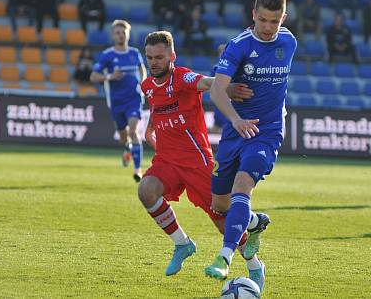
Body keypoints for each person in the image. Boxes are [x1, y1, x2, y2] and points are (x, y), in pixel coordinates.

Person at [137, 30, 265, 285]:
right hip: (167, 161)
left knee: (222, 221)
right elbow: (156, 107)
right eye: (150, 57)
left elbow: (206, 82)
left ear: (172, 56)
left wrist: (225, 87)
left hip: (197, 163)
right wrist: (151, 129)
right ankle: (182, 244)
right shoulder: (147, 86)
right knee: (146, 191)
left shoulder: (182, 77)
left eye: (159, 57)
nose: (154, 62)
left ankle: (254, 266)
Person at [204, 0, 297, 288]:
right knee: (220, 205)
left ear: (283, 17)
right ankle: (253, 223)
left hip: (267, 131)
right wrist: (235, 119)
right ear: (252, 15)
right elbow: (217, 90)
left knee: (243, 185)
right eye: (262, 20)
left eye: (274, 21)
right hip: (236, 130)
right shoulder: (238, 46)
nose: (268, 27)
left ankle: (224, 257)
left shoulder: (289, 41)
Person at [90, 20, 147, 181]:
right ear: (112, 36)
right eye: (117, 33)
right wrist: (109, 76)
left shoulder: (134, 53)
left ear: (128, 34)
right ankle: (128, 149)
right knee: (123, 137)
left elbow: (142, 69)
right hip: (116, 102)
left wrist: (142, 83)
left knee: (133, 131)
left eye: (123, 32)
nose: (120, 35)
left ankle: (137, 170)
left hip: (134, 99)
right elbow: (93, 76)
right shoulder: (108, 55)